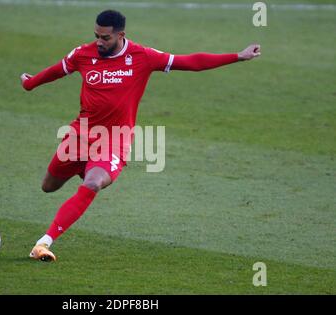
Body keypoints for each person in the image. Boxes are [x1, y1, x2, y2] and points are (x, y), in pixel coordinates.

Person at [21, 10, 261, 262]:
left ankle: (43, 243)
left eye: (105, 37)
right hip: (79, 137)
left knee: (92, 183)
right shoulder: (83, 53)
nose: (99, 42)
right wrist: (30, 84)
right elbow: (57, 70)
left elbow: (190, 62)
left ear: (121, 35)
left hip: (114, 140)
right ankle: (85, 169)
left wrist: (238, 56)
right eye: (96, 36)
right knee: (48, 186)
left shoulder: (142, 56)